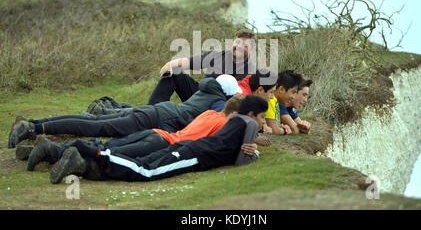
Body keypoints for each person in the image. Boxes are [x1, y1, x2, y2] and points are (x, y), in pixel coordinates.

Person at [48, 95, 268, 184]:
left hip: (162, 134)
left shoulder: (211, 114)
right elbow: (238, 152)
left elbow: (226, 142)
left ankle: (75, 162)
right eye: (261, 119)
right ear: (248, 115)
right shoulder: (238, 124)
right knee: (142, 169)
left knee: (104, 134)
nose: (262, 123)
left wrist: (253, 147)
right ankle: (89, 152)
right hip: (171, 145)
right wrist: (254, 147)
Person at [8, 75, 239, 148]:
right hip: (156, 117)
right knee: (96, 126)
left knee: (93, 120)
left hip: (156, 110)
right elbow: (227, 120)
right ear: (227, 94)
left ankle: (33, 124)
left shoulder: (206, 89)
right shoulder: (219, 102)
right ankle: (33, 128)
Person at [24, 95, 244, 171]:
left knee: (104, 140)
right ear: (235, 114)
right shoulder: (223, 124)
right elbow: (220, 145)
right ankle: (48, 144)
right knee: (106, 147)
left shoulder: (209, 113)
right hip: (160, 141)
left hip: (155, 128)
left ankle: (48, 147)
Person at [148, 29, 259, 105]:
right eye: (237, 42)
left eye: (245, 45)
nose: (239, 46)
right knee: (175, 71)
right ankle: (152, 111)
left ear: (251, 49)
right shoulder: (217, 55)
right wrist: (170, 64)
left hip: (219, 106)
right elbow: (189, 61)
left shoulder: (252, 71)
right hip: (198, 95)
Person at [264, 70, 302, 135]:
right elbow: (275, 130)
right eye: (293, 92)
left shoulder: (276, 101)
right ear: (281, 89)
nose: (293, 97)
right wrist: (285, 130)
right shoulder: (271, 100)